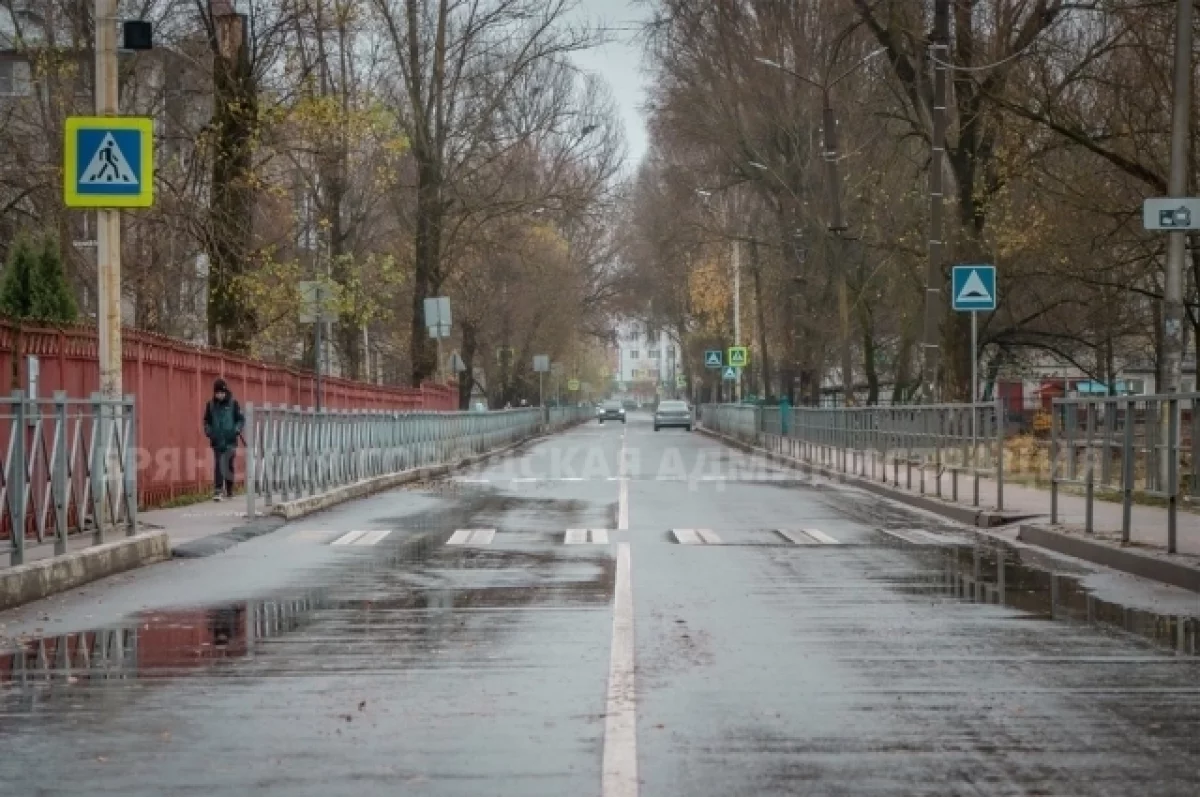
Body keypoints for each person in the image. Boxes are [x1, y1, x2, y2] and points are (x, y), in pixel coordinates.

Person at [203, 378, 244, 501]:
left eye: (222, 392)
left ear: (225, 392)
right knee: (219, 464)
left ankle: (229, 488)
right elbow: (206, 421)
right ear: (214, 393)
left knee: (228, 465)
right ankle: (218, 490)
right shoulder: (210, 405)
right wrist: (209, 432)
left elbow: (240, 419)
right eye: (217, 393)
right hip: (217, 440)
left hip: (230, 440)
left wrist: (237, 429)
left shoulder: (233, 404)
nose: (220, 395)